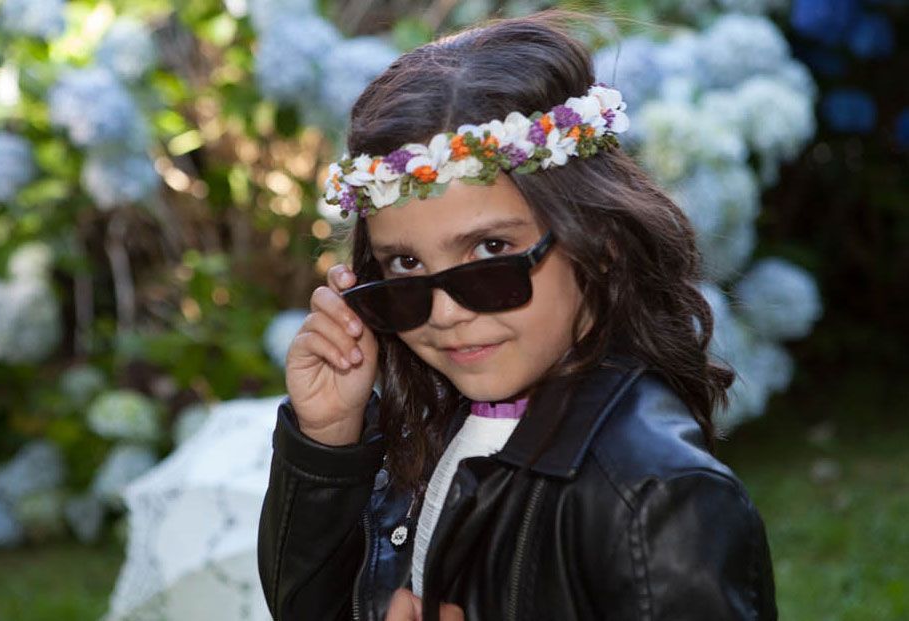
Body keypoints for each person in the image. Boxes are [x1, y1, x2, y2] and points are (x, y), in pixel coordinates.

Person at [258, 10, 777, 621]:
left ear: (600, 241)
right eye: (403, 264)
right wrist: (327, 445)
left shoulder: (656, 497)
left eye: (491, 251)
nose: (445, 312)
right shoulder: (426, 425)